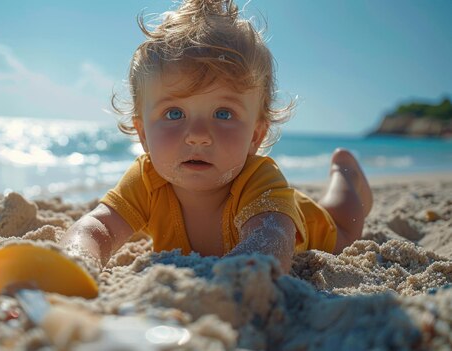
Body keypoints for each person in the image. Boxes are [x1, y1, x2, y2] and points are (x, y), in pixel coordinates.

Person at [60, 0, 372, 274]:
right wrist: (77, 258)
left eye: (223, 113)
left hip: (311, 224)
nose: (197, 136)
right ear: (143, 134)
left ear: (255, 135)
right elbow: (98, 226)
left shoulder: (259, 179)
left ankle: (345, 172)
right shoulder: (147, 180)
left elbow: (271, 238)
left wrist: (242, 273)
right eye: (174, 113)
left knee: (344, 222)